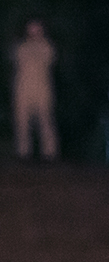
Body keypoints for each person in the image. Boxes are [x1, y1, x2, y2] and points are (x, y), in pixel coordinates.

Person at [11, 18, 59, 161]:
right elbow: (16, 59)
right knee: (22, 123)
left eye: (37, 28)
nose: (34, 31)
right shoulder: (21, 47)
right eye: (31, 28)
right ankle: (23, 153)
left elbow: (49, 58)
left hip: (42, 89)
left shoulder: (47, 46)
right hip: (23, 89)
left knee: (46, 121)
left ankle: (49, 153)